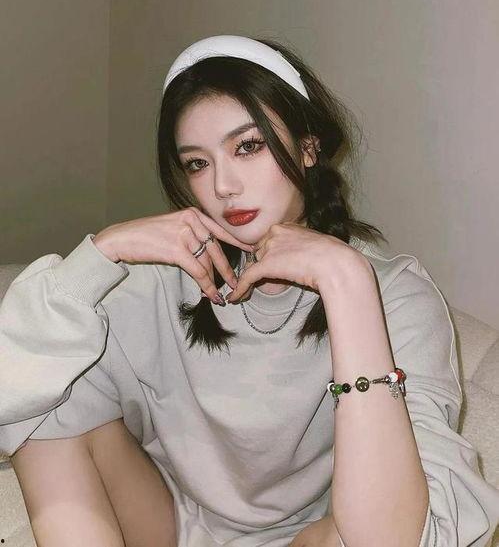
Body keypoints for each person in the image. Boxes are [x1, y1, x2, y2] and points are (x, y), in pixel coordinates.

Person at [0, 34, 498, 547]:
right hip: (165, 525)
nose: (223, 186)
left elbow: (390, 538)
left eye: (248, 146)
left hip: (309, 540)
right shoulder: (159, 277)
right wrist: (103, 252)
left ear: (308, 147)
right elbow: (10, 393)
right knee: (47, 406)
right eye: (198, 163)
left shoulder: (392, 295)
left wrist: (346, 283)